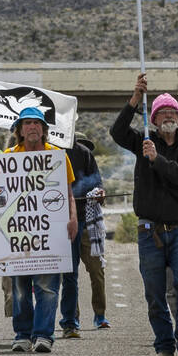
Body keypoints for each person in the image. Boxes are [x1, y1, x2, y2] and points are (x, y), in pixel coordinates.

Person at [110, 74, 178, 356]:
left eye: (172, 113)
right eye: (161, 113)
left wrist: (157, 160)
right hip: (148, 230)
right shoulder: (142, 140)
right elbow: (117, 132)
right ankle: (164, 348)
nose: (167, 117)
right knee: (154, 292)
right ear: (153, 118)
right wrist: (135, 99)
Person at [0, 107, 78, 354]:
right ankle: (22, 334)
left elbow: (67, 194)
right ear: (20, 130)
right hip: (18, 237)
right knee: (20, 289)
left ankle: (43, 335)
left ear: (44, 130)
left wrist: (73, 217)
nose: (32, 127)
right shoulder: (8, 156)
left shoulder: (57, 156)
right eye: (27, 124)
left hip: (49, 236)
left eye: (37, 123)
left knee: (47, 287)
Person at [60, 136, 109, 337]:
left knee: (96, 271)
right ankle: (72, 319)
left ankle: (100, 315)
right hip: (62, 224)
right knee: (69, 275)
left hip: (87, 222)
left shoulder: (84, 154)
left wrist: (99, 193)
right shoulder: (50, 153)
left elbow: (97, 183)